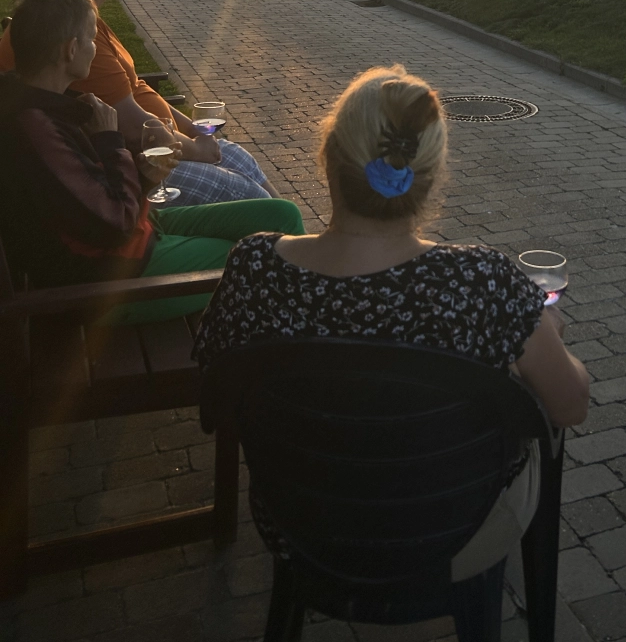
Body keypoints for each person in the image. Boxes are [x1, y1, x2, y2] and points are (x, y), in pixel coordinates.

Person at [193, 63, 590, 580]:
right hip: (453, 533)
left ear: (327, 159)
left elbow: (212, 396)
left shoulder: (253, 269)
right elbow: (570, 405)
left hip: (298, 525)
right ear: (429, 177)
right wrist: (547, 333)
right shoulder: (482, 281)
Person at [0, 0, 304, 323]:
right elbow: (113, 224)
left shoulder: (47, 105)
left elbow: (90, 198)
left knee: (282, 215)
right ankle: (308, 336)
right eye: (90, 39)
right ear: (70, 51)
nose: (93, 48)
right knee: (267, 258)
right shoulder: (35, 127)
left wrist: (145, 173)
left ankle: (314, 308)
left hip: (139, 234)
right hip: (111, 280)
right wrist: (110, 140)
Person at [0, 0, 277, 205]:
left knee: (242, 161)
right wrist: (196, 148)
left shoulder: (75, 17)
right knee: (251, 197)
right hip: (141, 160)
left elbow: (135, 86)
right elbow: (132, 128)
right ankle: (287, 240)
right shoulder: (67, 39)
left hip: (164, 144)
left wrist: (192, 130)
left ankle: (299, 240)